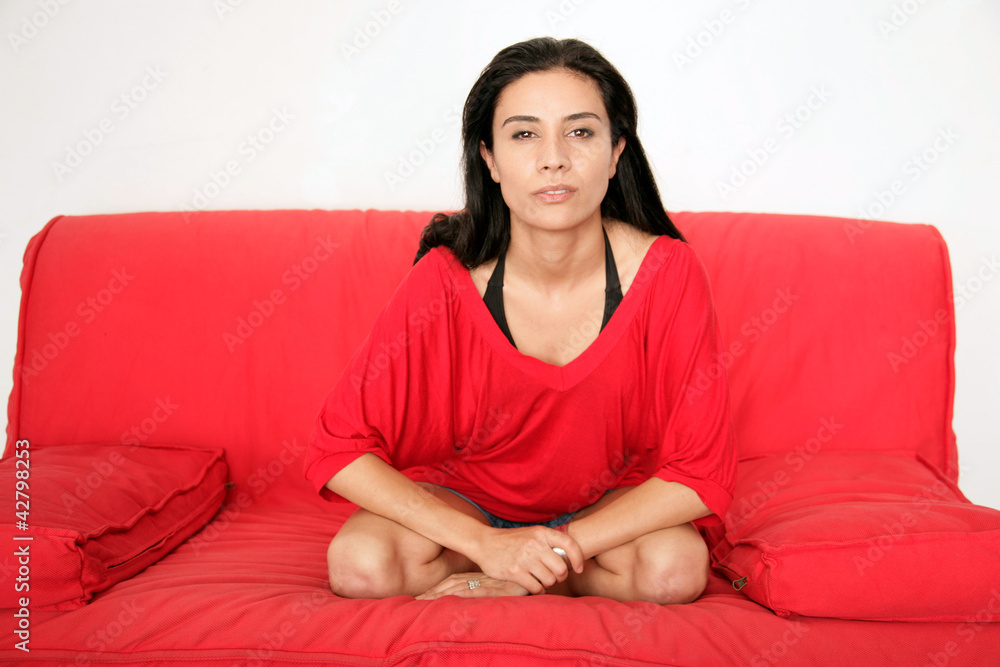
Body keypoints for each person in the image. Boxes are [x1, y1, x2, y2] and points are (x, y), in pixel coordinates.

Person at [304, 37, 737, 604]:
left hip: (605, 515)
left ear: (616, 152)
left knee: (673, 572)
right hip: (470, 510)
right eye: (525, 134)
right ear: (489, 158)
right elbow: (339, 449)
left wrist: (537, 556)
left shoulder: (668, 270)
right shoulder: (445, 276)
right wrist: (485, 544)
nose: (553, 157)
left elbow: (700, 474)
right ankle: (518, 573)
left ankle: (519, 581)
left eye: (580, 132)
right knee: (361, 566)